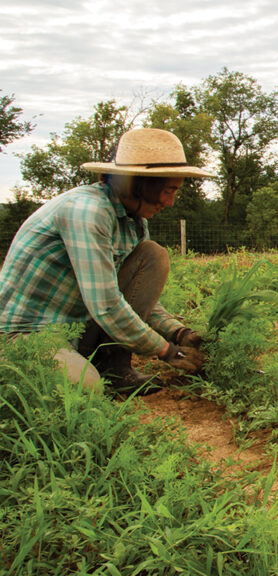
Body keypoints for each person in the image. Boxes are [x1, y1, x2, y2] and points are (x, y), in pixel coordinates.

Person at [0, 128, 212, 393]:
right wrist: (168, 351)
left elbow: (128, 296)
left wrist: (179, 333)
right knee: (88, 387)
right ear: (140, 184)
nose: (170, 202)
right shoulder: (88, 212)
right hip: (27, 333)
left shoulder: (133, 221)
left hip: (74, 327)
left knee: (153, 255)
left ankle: (114, 368)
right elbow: (107, 305)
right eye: (168, 190)